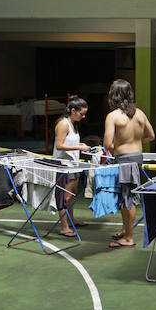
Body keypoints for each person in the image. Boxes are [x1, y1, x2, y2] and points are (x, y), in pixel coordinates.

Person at [103, 79, 155, 248]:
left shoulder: (113, 116)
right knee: (127, 195)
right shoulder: (139, 113)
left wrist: (119, 146)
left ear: (113, 95)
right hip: (137, 156)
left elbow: (107, 144)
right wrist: (134, 141)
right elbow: (151, 135)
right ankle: (125, 230)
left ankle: (129, 238)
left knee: (128, 198)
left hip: (124, 159)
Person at [52, 96, 92, 237]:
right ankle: (64, 227)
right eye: (81, 113)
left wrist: (80, 145)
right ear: (73, 110)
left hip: (73, 165)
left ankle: (72, 220)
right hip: (63, 166)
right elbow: (59, 145)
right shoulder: (63, 124)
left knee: (72, 195)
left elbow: (69, 143)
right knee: (64, 197)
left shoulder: (73, 124)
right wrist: (79, 148)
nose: (83, 116)